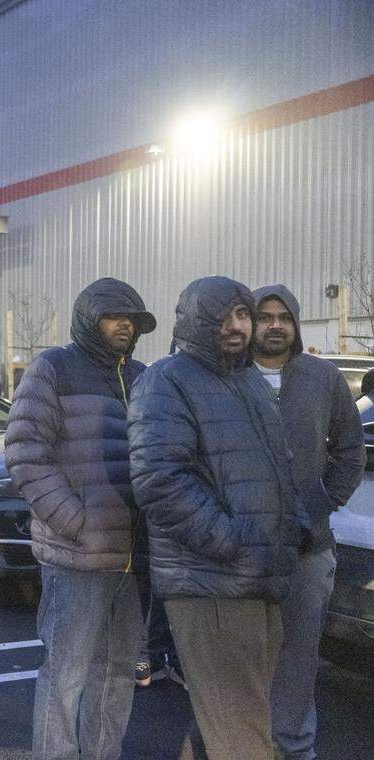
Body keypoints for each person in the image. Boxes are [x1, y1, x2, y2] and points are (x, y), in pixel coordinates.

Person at [128, 276, 303, 760]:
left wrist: (295, 526)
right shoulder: (165, 380)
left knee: (229, 718)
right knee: (242, 729)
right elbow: (160, 482)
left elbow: (277, 466)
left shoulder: (247, 379)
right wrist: (236, 541)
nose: (235, 326)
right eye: (221, 315)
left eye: (242, 314)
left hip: (260, 576)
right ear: (195, 320)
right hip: (211, 580)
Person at [5, 277, 156, 760]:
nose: (125, 325)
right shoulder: (54, 368)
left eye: (131, 319)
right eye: (115, 316)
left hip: (135, 559)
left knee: (116, 675)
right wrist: (74, 520)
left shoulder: (145, 377)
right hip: (77, 556)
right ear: (91, 319)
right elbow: (26, 454)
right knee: (66, 674)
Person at [252, 285, 365, 760]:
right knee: (243, 666)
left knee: (298, 666)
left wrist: (318, 507)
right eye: (265, 316)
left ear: (296, 325)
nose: (275, 324)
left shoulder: (323, 377)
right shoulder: (229, 377)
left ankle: (296, 750)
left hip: (307, 549)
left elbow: (349, 450)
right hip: (240, 550)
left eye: (285, 317)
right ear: (248, 322)